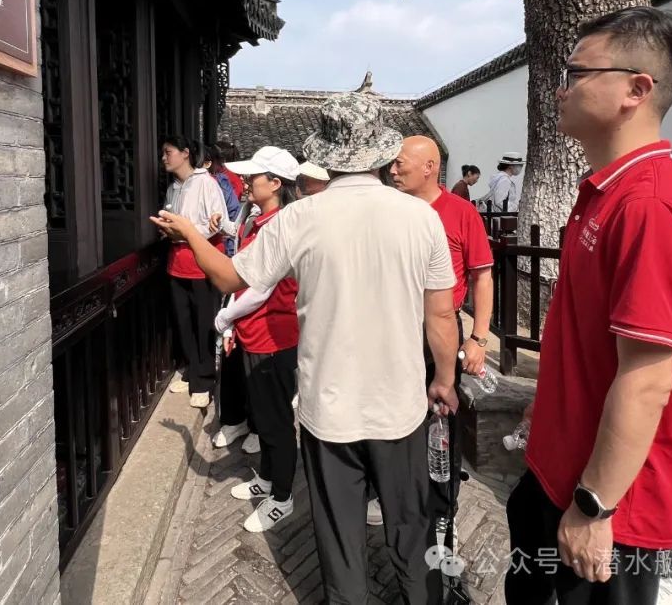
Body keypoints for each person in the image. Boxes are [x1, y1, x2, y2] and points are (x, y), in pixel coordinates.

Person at [152, 91, 460, 604]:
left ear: (329, 155)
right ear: (380, 153)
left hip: (328, 407)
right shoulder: (420, 217)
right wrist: (444, 379)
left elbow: (229, 277)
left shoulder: (299, 218)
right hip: (399, 405)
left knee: (339, 534)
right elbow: (441, 315)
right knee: (412, 525)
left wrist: (188, 231)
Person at [505, 7, 672, 605]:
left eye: (576, 73)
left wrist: (594, 506)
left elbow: (647, 380)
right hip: (560, 466)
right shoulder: (607, 190)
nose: (560, 88)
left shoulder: (649, 206)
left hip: (613, 499)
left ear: (636, 90)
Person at [389, 136, 495, 580]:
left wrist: (479, 338)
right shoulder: (390, 211)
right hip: (393, 333)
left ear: (430, 167)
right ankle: (394, 495)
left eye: (401, 164)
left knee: (440, 428)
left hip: (441, 333)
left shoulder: (460, 212)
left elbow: (482, 276)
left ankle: (441, 514)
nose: (393, 170)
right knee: (396, 421)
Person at [206, 146, 303, 532]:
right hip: (255, 331)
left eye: (253, 177)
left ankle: (283, 496)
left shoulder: (280, 226)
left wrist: (225, 316)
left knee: (276, 423)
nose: (245, 182)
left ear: (276, 183)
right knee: (263, 416)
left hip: (273, 337)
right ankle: (267, 478)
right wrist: (233, 322)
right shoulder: (261, 220)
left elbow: (259, 289)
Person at [161, 134, 229, 409]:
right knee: (184, 321)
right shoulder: (172, 188)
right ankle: (192, 370)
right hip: (177, 262)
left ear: (185, 153)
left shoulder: (206, 183)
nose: (164, 158)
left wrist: (186, 232)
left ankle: (205, 380)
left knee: (204, 323)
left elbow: (217, 223)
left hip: (202, 263)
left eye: (168, 152)